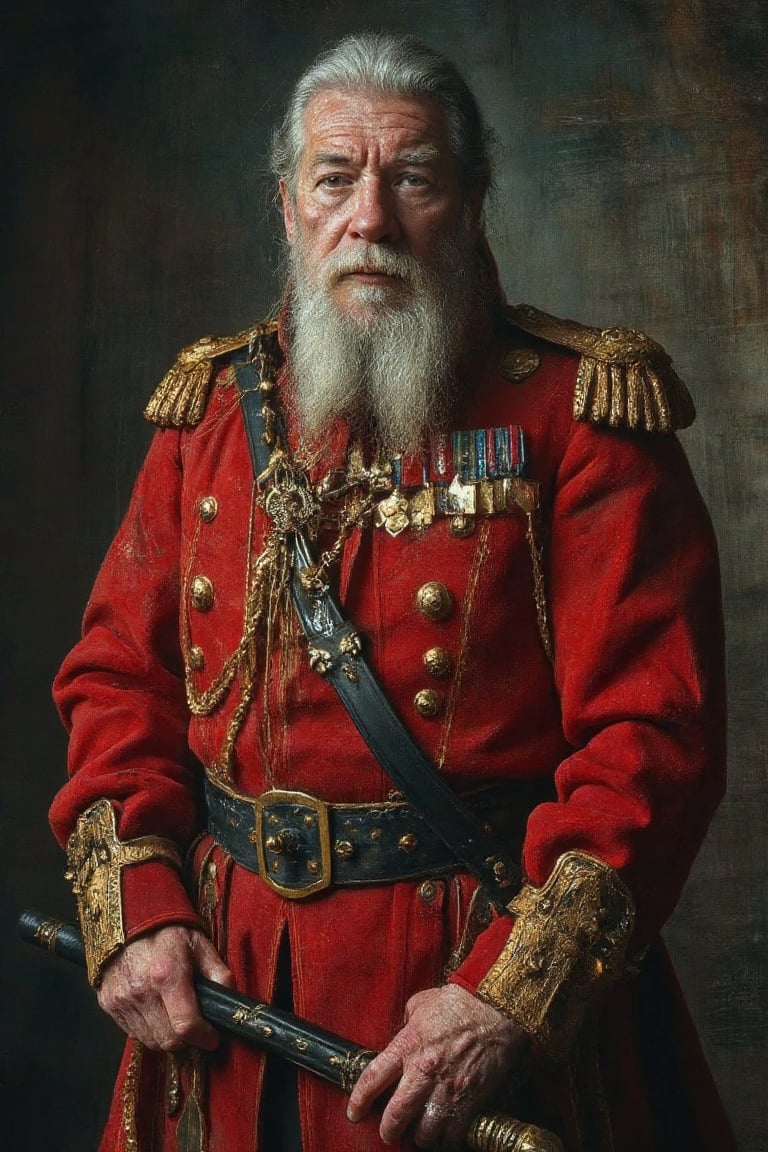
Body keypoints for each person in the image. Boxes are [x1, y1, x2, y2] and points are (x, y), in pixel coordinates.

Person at [50, 31, 735, 1152]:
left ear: (470, 204)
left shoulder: (581, 419)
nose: (368, 218)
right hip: (221, 994)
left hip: (462, 982)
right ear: (287, 208)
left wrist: (505, 999)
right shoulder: (212, 414)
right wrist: (134, 920)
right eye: (334, 179)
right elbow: (117, 680)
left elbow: (653, 742)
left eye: (411, 177)